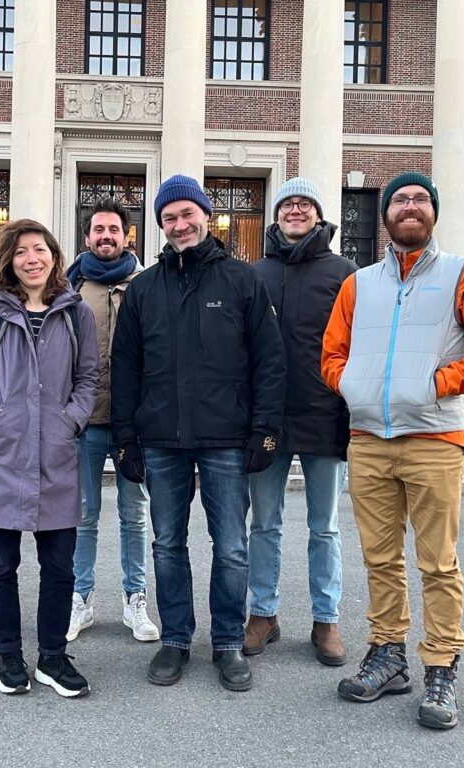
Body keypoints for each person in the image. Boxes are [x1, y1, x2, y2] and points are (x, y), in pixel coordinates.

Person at [322, 172, 464, 729]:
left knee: (437, 562)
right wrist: (351, 385)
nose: (409, 207)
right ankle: (387, 653)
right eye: (399, 200)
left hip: (434, 439)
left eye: (419, 200)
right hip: (368, 442)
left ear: (433, 212)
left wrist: (439, 382)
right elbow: (331, 354)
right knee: (380, 558)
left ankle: (442, 665)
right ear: (385, 216)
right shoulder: (358, 284)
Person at [111, 174, 286, 692]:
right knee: (167, 543)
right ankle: (176, 639)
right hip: (160, 439)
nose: (180, 225)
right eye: (169, 218)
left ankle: (229, 642)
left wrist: (265, 431)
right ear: (160, 225)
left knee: (231, 546)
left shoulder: (243, 280)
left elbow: (269, 361)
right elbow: (124, 368)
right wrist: (125, 437)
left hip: (227, 441)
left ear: (206, 216)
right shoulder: (143, 289)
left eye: (188, 215)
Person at [0, 218, 99, 698]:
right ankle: (9, 657)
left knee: (60, 566)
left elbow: (88, 377)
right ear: (9, 262)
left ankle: (53, 658)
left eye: (40, 249)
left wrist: (72, 419)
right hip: (3, 452)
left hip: (56, 453)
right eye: (21, 252)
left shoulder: (74, 311)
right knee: (1, 565)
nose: (32, 258)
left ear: (55, 257)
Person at [244, 177, 357, 665]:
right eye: (288, 204)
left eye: (304, 203)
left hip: (324, 414)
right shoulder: (253, 274)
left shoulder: (345, 273)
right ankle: (263, 613)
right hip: (266, 417)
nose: (295, 210)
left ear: (318, 214)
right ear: (276, 216)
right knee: (264, 523)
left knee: (325, 526)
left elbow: (357, 345)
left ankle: (326, 619)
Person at [65, 197, 158, 644]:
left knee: (134, 515)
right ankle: (80, 598)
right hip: (84, 423)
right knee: (83, 515)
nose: (105, 236)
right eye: (98, 229)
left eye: (113, 230)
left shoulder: (144, 285)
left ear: (126, 236)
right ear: (87, 237)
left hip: (131, 424)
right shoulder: (68, 287)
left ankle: (135, 598)